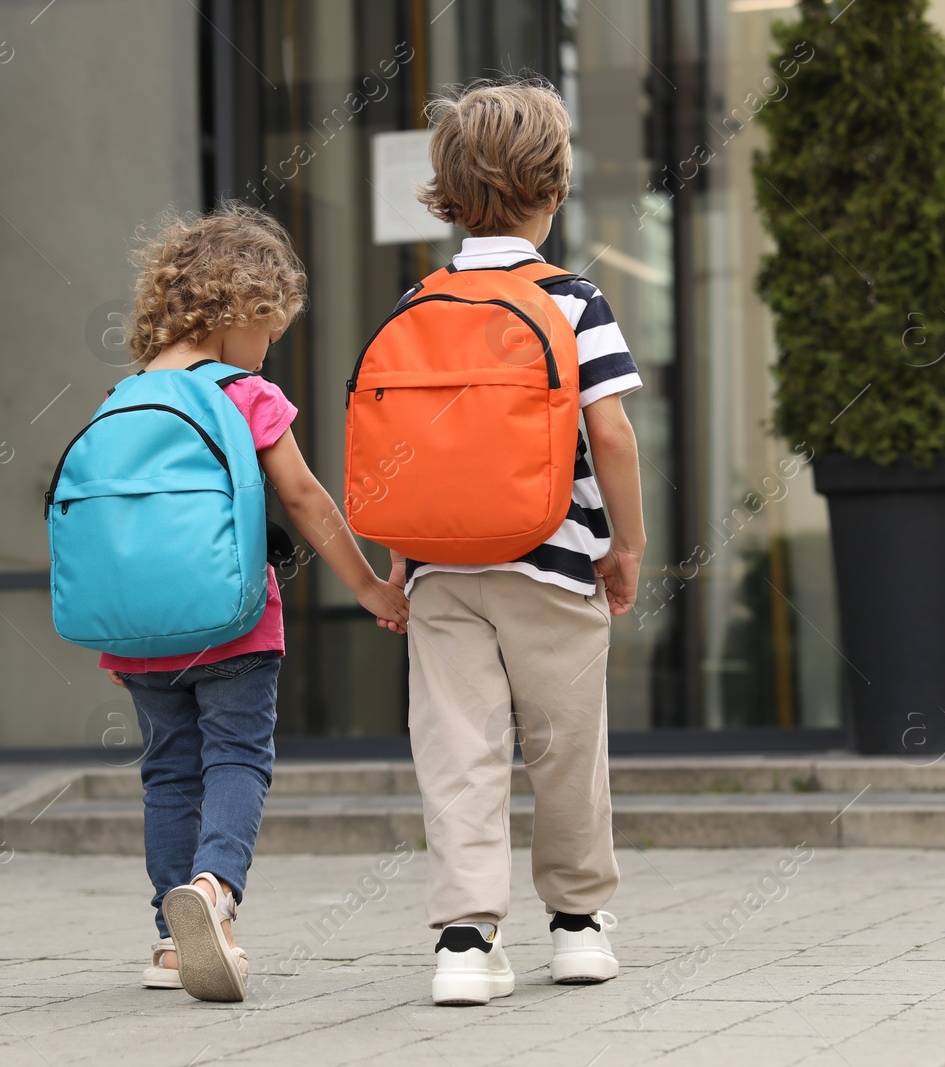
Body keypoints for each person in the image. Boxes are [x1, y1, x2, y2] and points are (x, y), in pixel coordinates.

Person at [102, 203, 409, 1003]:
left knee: (168, 771)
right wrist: (371, 584)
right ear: (239, 309)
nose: (271, 346)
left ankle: (173, 944)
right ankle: (215, 893)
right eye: (271, 327)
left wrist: (117, 633)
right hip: (234, 623)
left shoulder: (123, 396)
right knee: (237, 755)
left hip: (142, 633)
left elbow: (110, 529)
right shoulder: (242, 391)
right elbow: (305, 499)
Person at [394, 78, 646, 1006]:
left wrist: (401, 552)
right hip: (552, 557)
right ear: (558, 184)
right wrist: (627, 543)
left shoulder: (418, 302)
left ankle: (464, 944)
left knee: (457, 749)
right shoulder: (573, 301)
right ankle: (578, 927)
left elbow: (400, 445)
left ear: (447, 190)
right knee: (565, 746)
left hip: (440, 570)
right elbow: (611, 434)